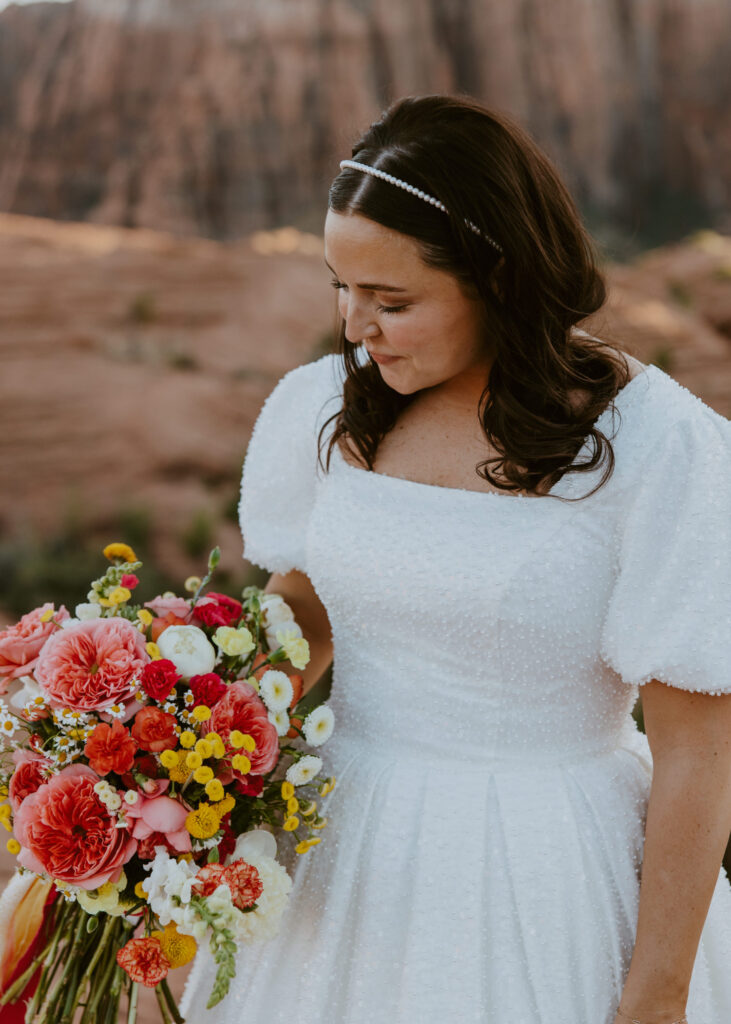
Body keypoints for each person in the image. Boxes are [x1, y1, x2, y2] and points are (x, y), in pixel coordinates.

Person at [180, 94, 731, 1024]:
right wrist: (167, 752)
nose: (356, 327)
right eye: (340, 288)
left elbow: (696, 748)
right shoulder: (327, 408)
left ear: (501, 279)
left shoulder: (656, 442)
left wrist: (656, 995)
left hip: (544, 871)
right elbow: (306, 611)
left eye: (392, 301)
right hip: (333, 856)